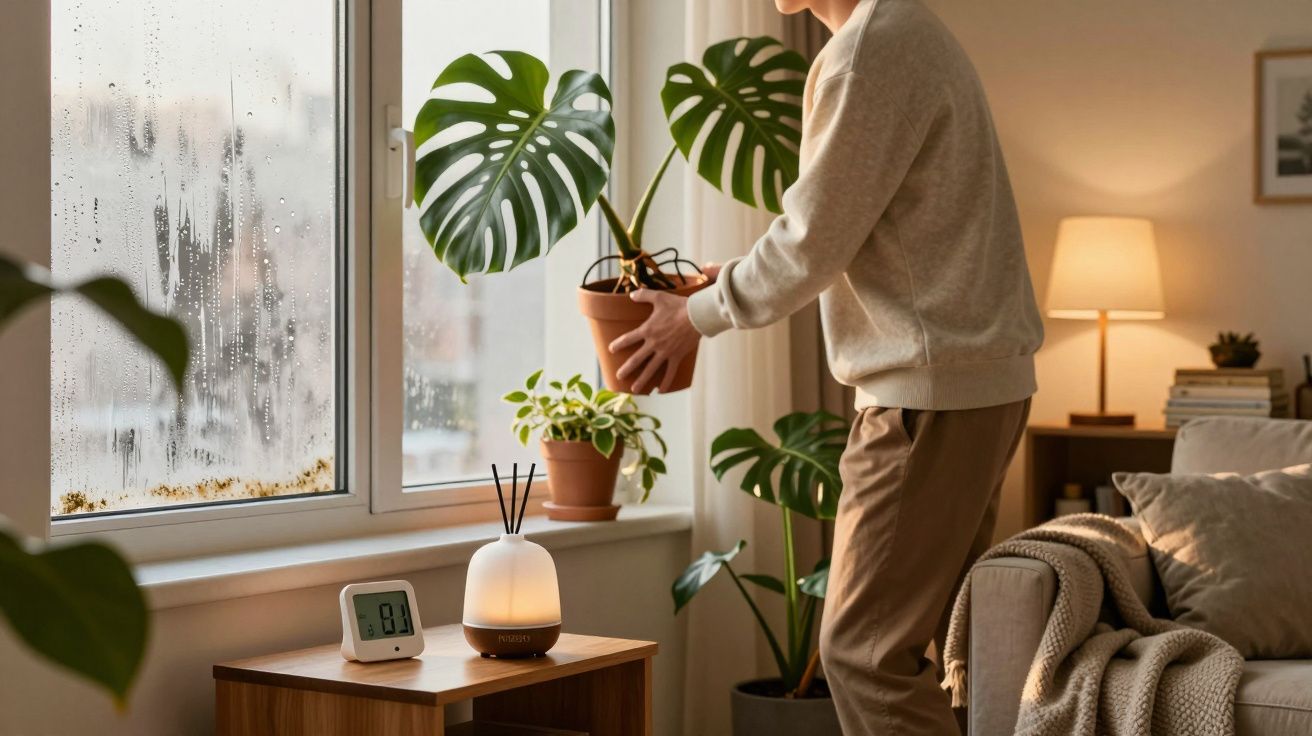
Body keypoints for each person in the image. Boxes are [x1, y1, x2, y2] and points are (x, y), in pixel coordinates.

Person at [609, 0, 1044, 732]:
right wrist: (725, 281)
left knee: (862, 655)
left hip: (926, 393)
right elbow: (864, 230)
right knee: (922, 650)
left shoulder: (869, 47)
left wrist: (696, 316)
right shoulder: (907, 30)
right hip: (972, 384)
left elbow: (812, 241)